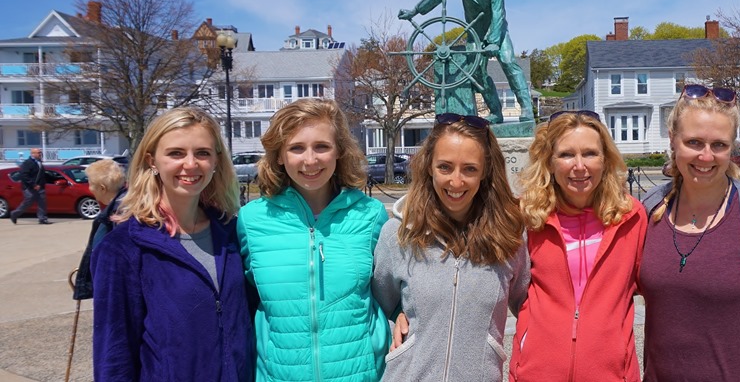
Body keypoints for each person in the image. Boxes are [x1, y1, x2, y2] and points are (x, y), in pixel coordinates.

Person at [640, 85, 740, 381]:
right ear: (672, 140)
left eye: (718, 145)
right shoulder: (649, 209)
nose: (706, 157)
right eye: (694, 142)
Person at [91, 107, 251, 381]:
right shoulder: (123, 248)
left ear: (216, 161)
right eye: (176, 153)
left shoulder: (232, 233)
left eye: (202, 153)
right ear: (152, 161)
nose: (191, 164)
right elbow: (113, 353)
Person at [237, 98, 390, 381]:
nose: (310, 160)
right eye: (296, 148)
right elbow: (242, 298)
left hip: (359, 374)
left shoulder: (371, 215)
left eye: (321, 146)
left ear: (339, 151)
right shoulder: (252, 219)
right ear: (279, 155)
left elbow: (392, 290)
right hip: (279, 375)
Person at [372, 113, 529, 381]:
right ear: (429, 166)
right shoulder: (398, 234)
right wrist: (397, 315)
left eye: (470, 169)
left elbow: (528, 308)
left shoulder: (510, 237)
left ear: (485, 172)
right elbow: (376, 307)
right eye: (445, 167)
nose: (456, 181)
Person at [509, 110, 648, 381]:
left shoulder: (631, 217)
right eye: (566, 155)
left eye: (590, 153)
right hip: (538, 373)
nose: (580, 166)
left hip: (611, 374)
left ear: (605, 159)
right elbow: (509, 288)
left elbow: (653, 286)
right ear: (549, 162)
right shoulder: (528, 216)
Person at [399, 0, 534, 124]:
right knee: (476, 73)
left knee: (508, 62)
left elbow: (498, 12)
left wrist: (494, 41)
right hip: (475, 33)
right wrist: (415, 10)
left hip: (497, 31)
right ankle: (496, 112)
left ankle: (526, 107)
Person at [72, 159, 128, 301]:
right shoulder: (120, 206)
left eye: (91, 184)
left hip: (116, 290)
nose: (89, 188)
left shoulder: (121, 212)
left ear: (102, 188)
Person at [10, 148, 50, 224]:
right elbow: (24, 176)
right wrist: (33, 185)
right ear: (33, 154)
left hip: (40, 187)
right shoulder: (27, 163)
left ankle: (42, 219)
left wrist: (42, 184)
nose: (40, 154)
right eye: (38, 153)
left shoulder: (39, 162)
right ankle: (14, 214)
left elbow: (41, 175)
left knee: (42, 203)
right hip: (29, 187)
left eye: (40, 152)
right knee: (28, 202)